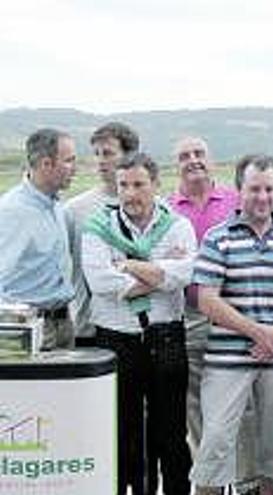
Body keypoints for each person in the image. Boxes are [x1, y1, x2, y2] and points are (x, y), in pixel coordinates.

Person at [190, 154, 273, 495]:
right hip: (227, 361)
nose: (263, 197)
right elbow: (207, 299)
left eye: (270, 189)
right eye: (254, 189)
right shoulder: (218, 238)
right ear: (238, 190)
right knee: (216, 440)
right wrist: (259, 332)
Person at [82, 152, 196, 495]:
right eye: (123, 185)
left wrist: (127, 264)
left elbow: (186, 273)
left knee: (171, 431)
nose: (130, 194)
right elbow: (101, 283)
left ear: (156, 185)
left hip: (166, 337)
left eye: (138, 185)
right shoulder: (98, 226)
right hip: (117, 339)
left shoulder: (178, 225)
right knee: (122, 429)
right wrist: (161, 271)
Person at [166, 136, 243, 484]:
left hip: (235, 314)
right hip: (191, 316)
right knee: (197, 407)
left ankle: (240, 478)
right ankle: (211, 482)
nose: (193, 160)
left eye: (199, 153)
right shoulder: (166, 209)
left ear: (212, 160)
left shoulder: (236, 200)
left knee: (239, 405)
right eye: (185, 156)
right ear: (176, 164)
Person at [0, 128, 76, 349]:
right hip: (29, 329)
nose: (75, 169)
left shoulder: (57, 206)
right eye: (69, 161)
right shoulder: (12, 211)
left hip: (63, 324)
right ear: (46, 164)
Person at [67, 122, 140, 347]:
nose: (100, 160)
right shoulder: (75, 209)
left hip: (138, 324)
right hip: (89, 325)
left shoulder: (152, 207)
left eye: (108, 153)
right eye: (97, 153)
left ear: (129, 156)